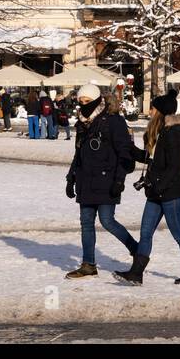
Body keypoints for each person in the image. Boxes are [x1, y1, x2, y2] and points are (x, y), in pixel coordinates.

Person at [114, 89, 180, 286]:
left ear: (161, 112)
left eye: (153, 108)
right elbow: (153, 160)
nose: (150, 111)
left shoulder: (173, 133)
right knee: (145, 232)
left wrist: (159, 185)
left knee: (178, 233)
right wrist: (131, 150)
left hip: (172, 193)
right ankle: (136, 273)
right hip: (155, 193)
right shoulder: (160, 133)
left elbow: (174, 166)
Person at [64, 83, 140, 279]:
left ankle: (137, 250)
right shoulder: (82, 122)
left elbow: (124, 152)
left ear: (97, 100)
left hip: (107, 180)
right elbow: (78, 152)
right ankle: (88, 264)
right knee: (86, 223)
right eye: (80, 101)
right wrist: (71, 177)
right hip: (85, 181)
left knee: (107, 221)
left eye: (87, 101)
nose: (83, 105)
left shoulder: (113, 121)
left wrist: (119, 180)